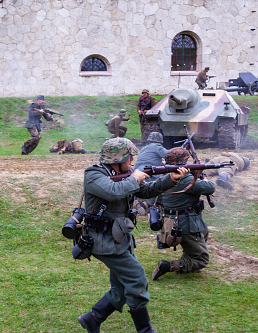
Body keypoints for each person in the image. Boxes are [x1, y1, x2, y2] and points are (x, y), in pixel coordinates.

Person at [78, 138, 188, 333]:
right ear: (118, 159)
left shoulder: (123, 174)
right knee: (137, 279)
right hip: (104, 241)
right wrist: (135, 177)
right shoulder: (94, 174)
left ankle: (93, 318)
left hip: (120, 238)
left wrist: (171, 178)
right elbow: (113, 192)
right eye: (130, 157)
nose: (133, 161)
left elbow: (145, 190)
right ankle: (145, 330)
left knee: (121, 287)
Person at [151, 147, 216, 280]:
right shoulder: (185, 179)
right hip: (187, 224)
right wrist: (199, 178)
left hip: (175, 222)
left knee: (203, 233)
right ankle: (169, 266)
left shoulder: (167, 176)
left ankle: (188, 263)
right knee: (202, 260)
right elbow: (210, 187)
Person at [133, 132, 167, 216]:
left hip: (138, 172)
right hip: (149, 172)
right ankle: (146, 205)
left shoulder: (145, 148)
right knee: (159, 186)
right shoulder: (157, 147)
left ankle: (134, 201)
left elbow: (149, 160)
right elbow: (170, 155)